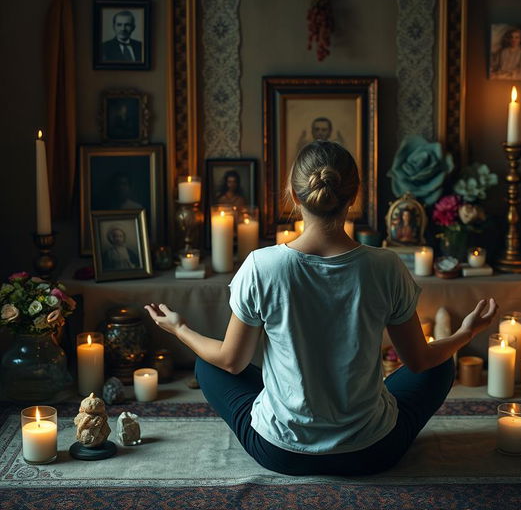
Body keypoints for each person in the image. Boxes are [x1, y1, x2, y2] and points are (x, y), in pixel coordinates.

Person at [145, 141, 497, 476]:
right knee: (439, 365)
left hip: (282, 452)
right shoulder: (385, 265)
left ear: (295, 195)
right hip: (372, 452)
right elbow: (419, 361)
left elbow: (230, 362)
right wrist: (464, 334)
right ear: (354, 196)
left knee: (208, 365)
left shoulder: (261, 265)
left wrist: (180, 329)